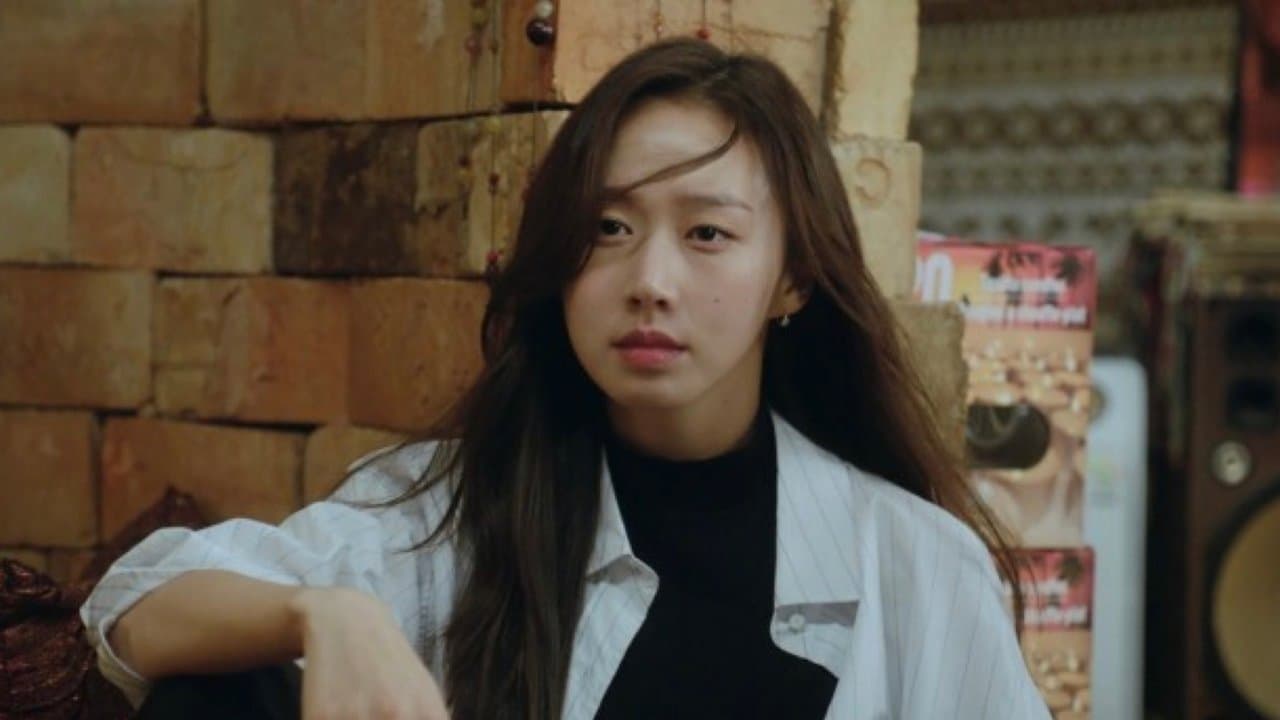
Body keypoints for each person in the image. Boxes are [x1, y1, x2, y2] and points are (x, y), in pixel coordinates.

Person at [80, 38, 1049, 720]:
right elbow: (135, 605)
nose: (650, 281)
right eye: (608, 229)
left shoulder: (913, 564)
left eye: (707, 233)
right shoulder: (461, 509)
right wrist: (322, 613)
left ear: (792, 277)